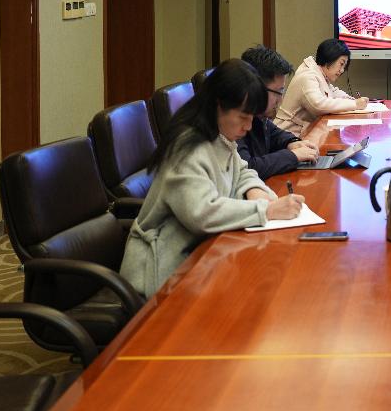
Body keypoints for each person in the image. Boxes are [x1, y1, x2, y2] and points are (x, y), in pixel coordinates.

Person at [120, 59, 305, 297]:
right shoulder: (187, 148)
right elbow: (202, 213)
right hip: (161, 270)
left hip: (202, 253)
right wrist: (266, 210)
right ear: (219, 105)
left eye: (252, 117)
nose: (249, 126)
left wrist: (254, 190)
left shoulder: (220, 135)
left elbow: (242, 170)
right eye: (243, 117)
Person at [237, 45, 320, 178]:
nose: (280, 100)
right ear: (256, 88)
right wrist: (293, 156)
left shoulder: (258, 115)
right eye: (278, 92)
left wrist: (292, 143)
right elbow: (248, 167)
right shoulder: (233, 118)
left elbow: (273, 133)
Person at [275, 38, 369, 135]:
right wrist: (355, 104)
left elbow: (334, 92)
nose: (342, 70)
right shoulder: (308, 75)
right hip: (285, 135)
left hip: (299, 134)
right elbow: (318, 105)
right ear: (330, 57)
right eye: (341, 64)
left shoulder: (320, 74)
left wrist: (353, 100)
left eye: (344, 67)